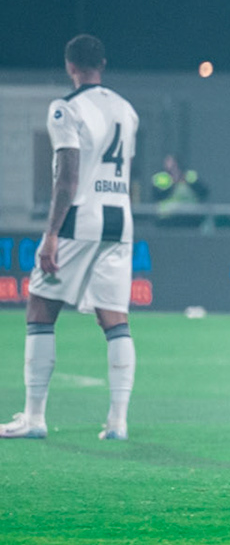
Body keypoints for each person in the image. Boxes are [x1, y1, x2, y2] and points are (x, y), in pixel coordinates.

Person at [2, 35, 140, 441]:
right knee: (115, 320)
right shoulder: (126, 110)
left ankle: (34, 418)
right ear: (103, 63)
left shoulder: (66, 109)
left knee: (40, 309)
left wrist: (50, 235)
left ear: (70, 66)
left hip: (81, 219)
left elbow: (68, 179)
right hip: (120, 222)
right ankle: (118, 421)